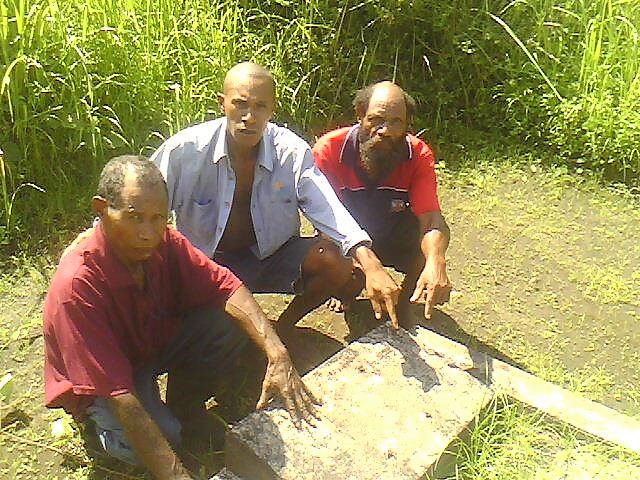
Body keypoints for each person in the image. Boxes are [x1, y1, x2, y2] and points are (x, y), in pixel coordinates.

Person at [44, 155, 318, 479]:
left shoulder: (165, 242)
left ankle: (185, 407)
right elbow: (119, 394)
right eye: (135, 218)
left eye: (158, 218)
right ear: (102, 210)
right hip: (105, 381)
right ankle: (97, 430)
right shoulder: (78, 286)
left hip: (148, 343)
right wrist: (176, 474)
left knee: (227, 321)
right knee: (160, 440)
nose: (148, 232)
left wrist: (278, 354)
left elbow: (226, 287)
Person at [151, 62, 402, 330]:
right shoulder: (185, 151)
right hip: (207, 262)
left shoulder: (290, 151)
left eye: (260, 106)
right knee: (209, 330)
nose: (249, 116)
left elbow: (326, 206)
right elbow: (142, 202)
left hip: (269, 256)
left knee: (336, 262)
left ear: (272, 109)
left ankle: (284, 328)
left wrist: (368, 259)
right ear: (222, 104)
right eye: (240, 104)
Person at [313, 81, 451, 322]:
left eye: (396, 122)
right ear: (360, 115)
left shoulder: (417, 155)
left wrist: (436, 260)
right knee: (338, 270)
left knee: (428, 245)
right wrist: (365, 263)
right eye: (377, 119)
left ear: (407, 125)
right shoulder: (329, 150)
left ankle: (406, 302)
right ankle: (344, 291)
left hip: (391, 230)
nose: (385, 130)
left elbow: (430, 219)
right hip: (345, 237)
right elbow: (325, 218)